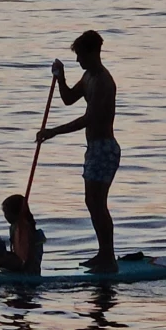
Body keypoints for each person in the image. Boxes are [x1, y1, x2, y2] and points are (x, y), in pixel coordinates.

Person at [37, 29, 119, 273]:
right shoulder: (88, 77)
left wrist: (53, 132)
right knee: (91, 202)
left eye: (81, 55)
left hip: (105, 148)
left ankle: (108, 257)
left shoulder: (104, 81)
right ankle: (103, 253)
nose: (78, 60)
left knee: (98, 203)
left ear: (94, 52)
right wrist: (60, 77)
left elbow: (89, 119)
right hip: (94, 149)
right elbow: (69, 99)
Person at [0, 193, 45, 275]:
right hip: (21, 262)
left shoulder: (26, 227)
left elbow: (30, 249)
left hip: (29, 266)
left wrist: (27, 266)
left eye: (6, 213)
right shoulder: (14, 226)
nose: (5, 216)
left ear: (16, 213)